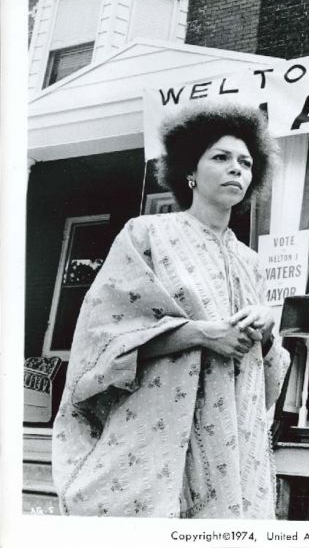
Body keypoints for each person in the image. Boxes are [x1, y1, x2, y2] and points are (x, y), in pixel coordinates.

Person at [52, 103, 290, 518]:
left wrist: (266, 327)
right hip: (160, 429)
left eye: (246, 162)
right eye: (221, 157)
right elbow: (100, 341)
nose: (237, 168)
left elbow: (265, 367)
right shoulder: (146, 233)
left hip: (233, 435)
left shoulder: (251, 261)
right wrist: (200, 333)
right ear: (190, 173)